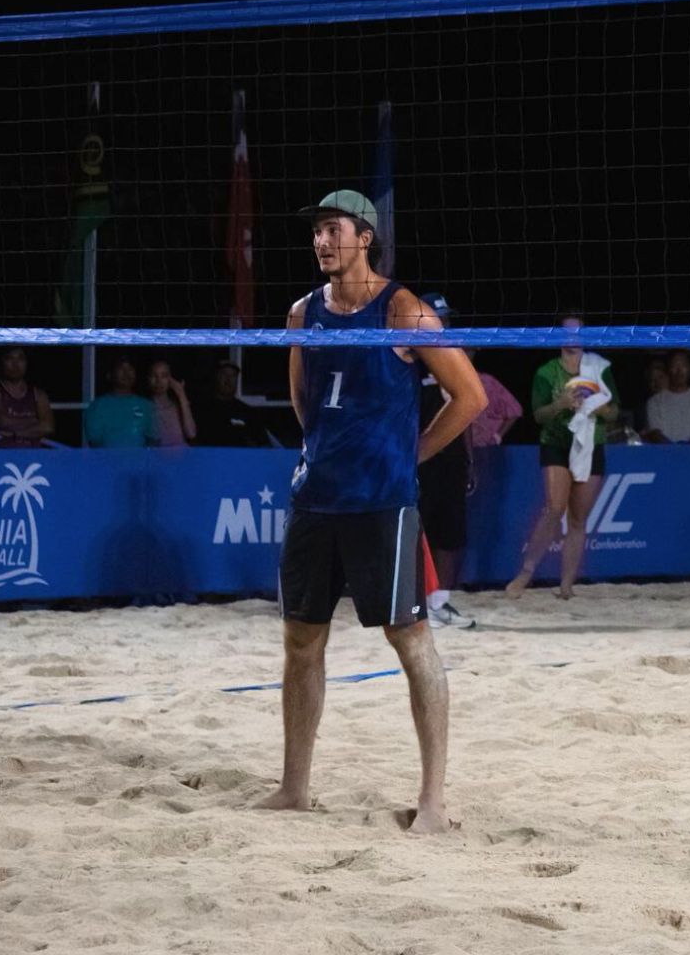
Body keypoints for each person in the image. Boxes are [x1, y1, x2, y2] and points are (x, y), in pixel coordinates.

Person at [258, 189, 486, 835]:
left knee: (410, 641)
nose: (320, 242)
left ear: (365, 237)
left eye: (332, 230)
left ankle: (434, 801)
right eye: (316, 233)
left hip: (382, 503)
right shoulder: (303, 313)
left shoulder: (406, 312)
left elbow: (468, 397)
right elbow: (304, 402)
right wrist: (325, 453)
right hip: (316, 500)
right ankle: (294, 788)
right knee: (301, 641)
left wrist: (409, 456)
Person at [505, 314, 619, 599]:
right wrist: (561, 404)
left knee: (579, 519)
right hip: (556, 441)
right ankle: (526, 573)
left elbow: (614, 412)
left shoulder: (599, 369)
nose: (573, 337)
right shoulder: (546, 372)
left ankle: (567, 585)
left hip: (590, 444)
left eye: (578, 332)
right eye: (567, 332)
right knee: (555, 508)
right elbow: (538, 415)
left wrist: (595, 406)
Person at [416, 293, 476, 629]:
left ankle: (440, 602)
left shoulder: (457, 361)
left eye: (447, 319)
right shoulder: (407, 358)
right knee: (416, 531)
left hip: (451, 458)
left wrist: (469, 460)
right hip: (418, 456)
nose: (445, 324)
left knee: (451, 532)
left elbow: (467, 412)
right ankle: (418, 604)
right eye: (439, 318)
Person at [83, 356, 157, 448]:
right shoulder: (97, 407)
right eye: (121, 369)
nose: (126, 373)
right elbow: (95, 443)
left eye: (130, 369)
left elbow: (154, 440)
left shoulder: (146, 405)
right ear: (110, 375)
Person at [194, 361, 270, 447]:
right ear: (216, 377)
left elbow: (263, 444)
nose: (228, 380)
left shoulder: (247, 412)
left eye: (233, 376)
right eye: (224, 374)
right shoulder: (202, 409)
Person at [643, 350, 690, 444]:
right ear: (669, 370)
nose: (679, 371)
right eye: (675, 366)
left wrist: (685, 453)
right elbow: (655, 434)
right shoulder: (654, 402)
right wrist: (675, 452)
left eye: (683, 365)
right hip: (664, 455)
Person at [0, 347, 54, 448]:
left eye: (20, 359)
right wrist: (33, 422)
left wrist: (14, 434)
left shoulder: (38, 394)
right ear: (0, 363)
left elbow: (47, 427)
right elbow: (2, 422)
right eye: (9, 358)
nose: (15, 365)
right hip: (1, 453)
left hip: (33, 454)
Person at [147, 360, 198, 447]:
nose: (158, 381)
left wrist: (181, 395)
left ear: (170, 379)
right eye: (154, 376)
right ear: (148, 379)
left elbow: (191, 433)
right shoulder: (143, 407)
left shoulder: (178, 405)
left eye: (164, 376)